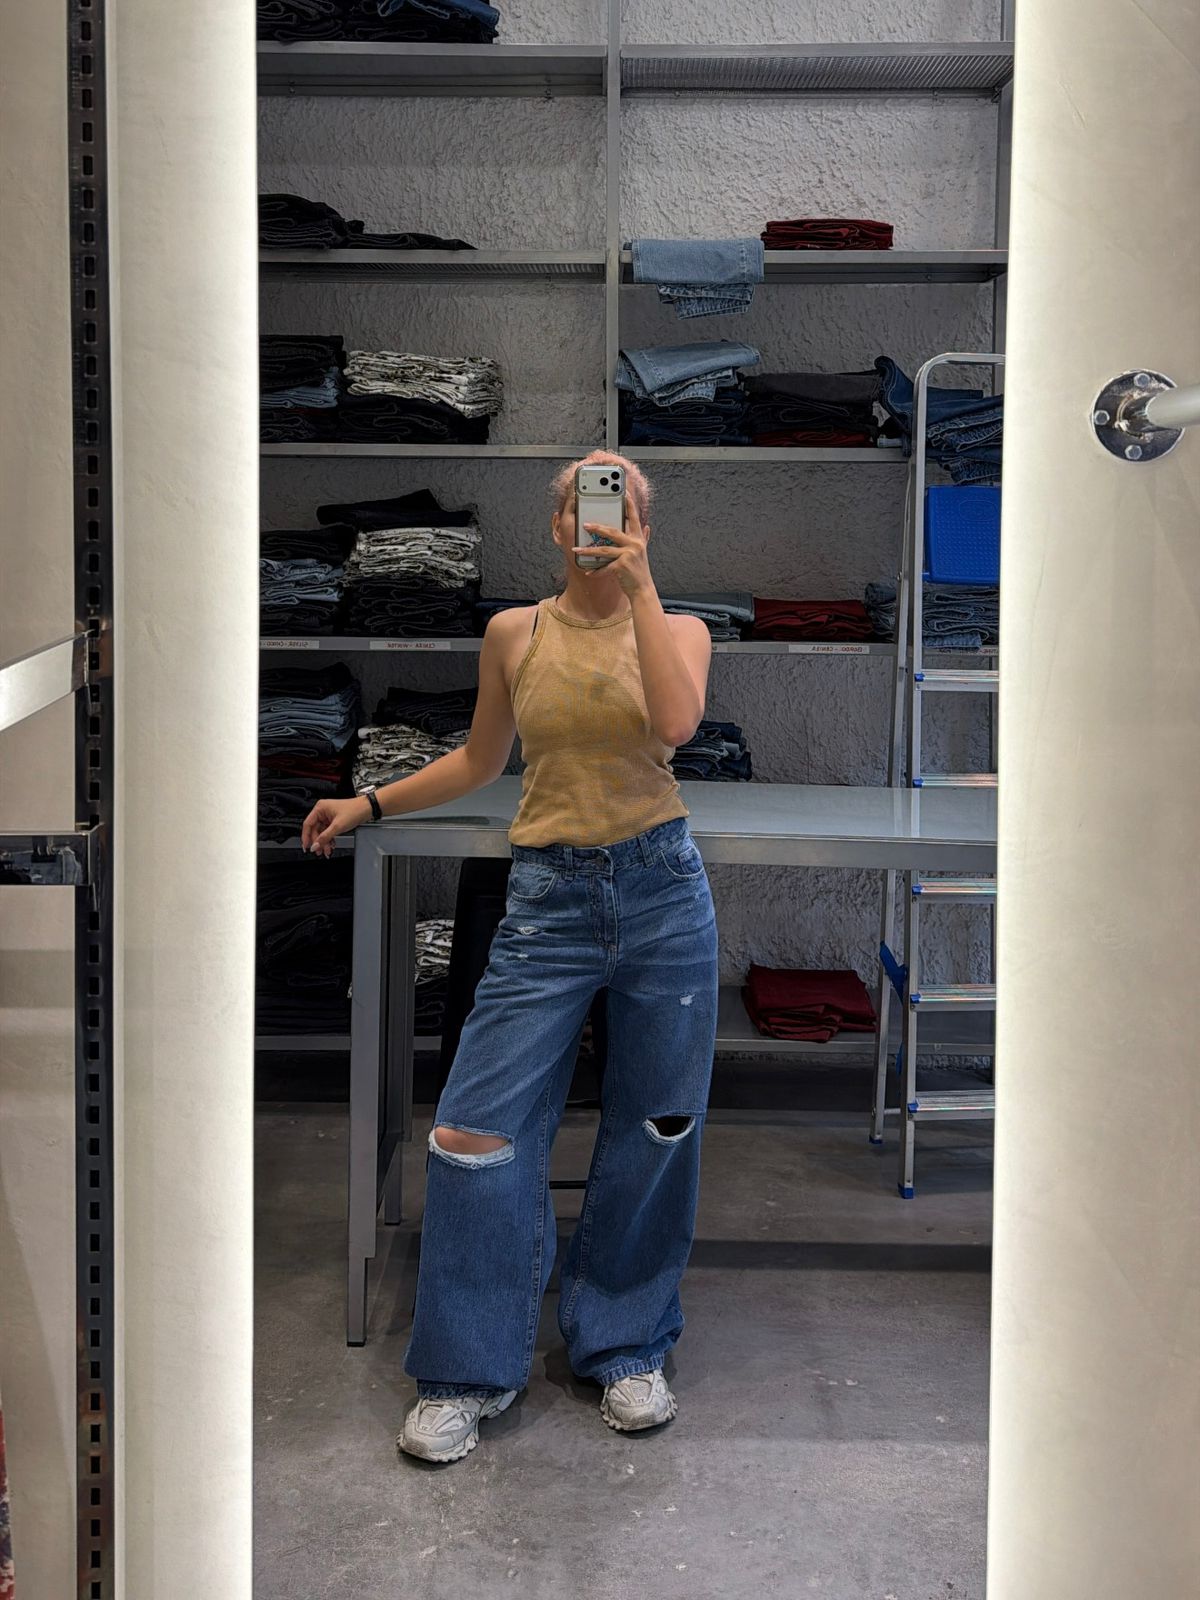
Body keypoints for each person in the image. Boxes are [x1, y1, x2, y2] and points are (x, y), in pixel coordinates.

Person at [302, 451, 718, 1464]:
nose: (598, 518)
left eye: (620, 504)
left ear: (644, 525)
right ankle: (465, 1369)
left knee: (657, 1127)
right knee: (474, 1130)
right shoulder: (514, 633)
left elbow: (676, 724)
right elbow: (480, 760)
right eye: (583, 500)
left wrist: (641, 586)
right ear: (557, 521)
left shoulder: (679, 630)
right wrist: (369, 802)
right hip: (548, 901)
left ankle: (626, 1344)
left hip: (663, 892)